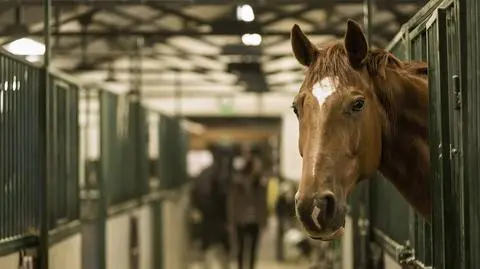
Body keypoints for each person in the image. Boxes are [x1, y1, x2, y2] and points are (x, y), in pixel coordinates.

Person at [228, 147, 268, 269]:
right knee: (240, 249)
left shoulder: (260, 184)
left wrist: (263, 220)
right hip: (241, 220)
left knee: (252, 250)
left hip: (254, 221)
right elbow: (232, 202)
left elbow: (263, 203)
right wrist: (231, 220)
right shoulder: (238, 183)